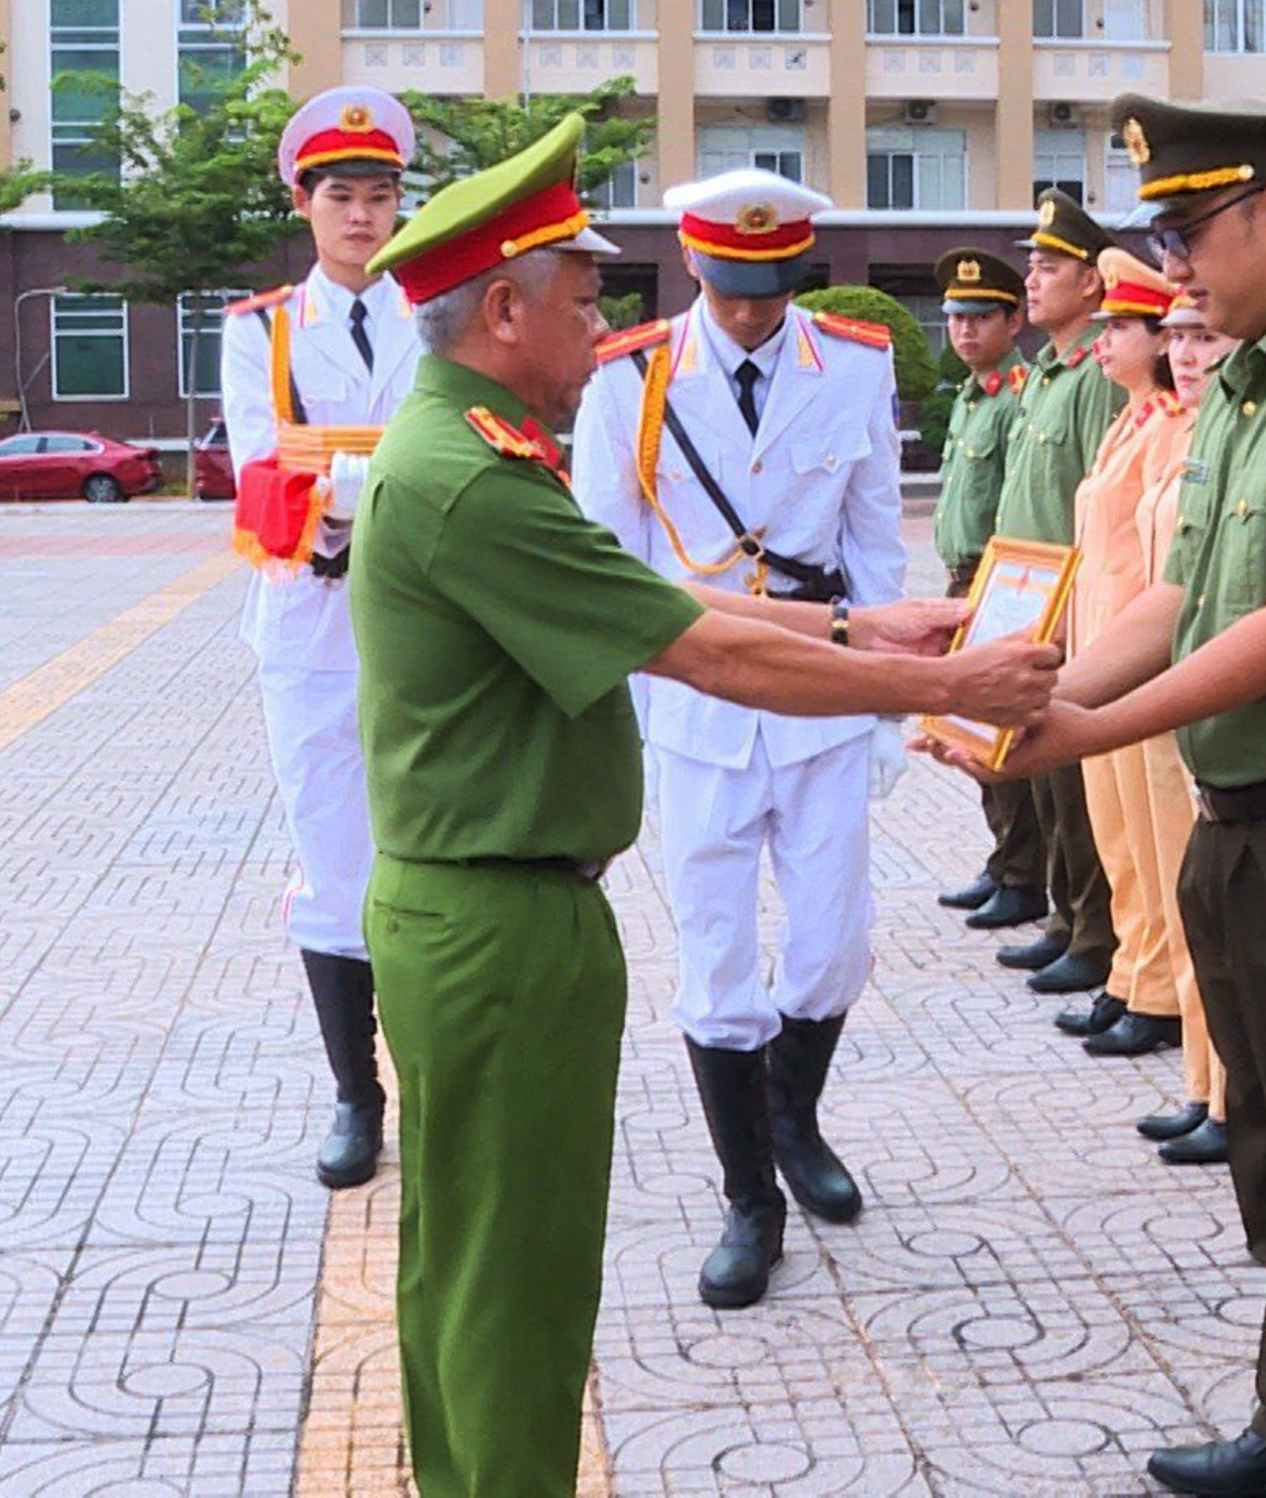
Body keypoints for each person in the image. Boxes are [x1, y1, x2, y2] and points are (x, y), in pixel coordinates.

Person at [349, 113, 1058, 1498]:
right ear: (502, 309)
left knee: (469, 1260)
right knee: (516, 1283)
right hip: (499, 929)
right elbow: (695, 646)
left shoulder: (454, 448)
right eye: (580, 295)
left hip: (484, 911)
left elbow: (671, 600)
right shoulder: (470, 481)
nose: (602, 319)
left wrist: (871, 626)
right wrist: (952, 673)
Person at [927, 94, 1266, 1498]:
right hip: (1252, 831)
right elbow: (1179, 595)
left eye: (1184, 230)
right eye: (1157, 233)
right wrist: (1043, 695)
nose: (1165, 264)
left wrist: (1082, 731)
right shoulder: (1245, 381)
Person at [573, 168, 908, 1310]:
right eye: (730, 287)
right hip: (696, 703)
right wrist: (615, 723)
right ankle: (748, 1193)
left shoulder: (855, 362)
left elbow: (874, 547)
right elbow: (603, 568)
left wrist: (887, 702)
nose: (752, 310)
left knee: (830, 943)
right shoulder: (630, 379)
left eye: (771, 288)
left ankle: (793, 1113)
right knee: (715, 958)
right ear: (692, 264)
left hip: (818, 691)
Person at [222, 85, 423, 1192]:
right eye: (340, 194)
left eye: (380, 193)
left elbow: (449, 447)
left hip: (421, 612)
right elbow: (266, 472)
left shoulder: (430, 312)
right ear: (305, 204)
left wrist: (344, 468)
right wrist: (380, 468)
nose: (361, 214)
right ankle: (357, 1092)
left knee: (433, 837)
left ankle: (432, 1070)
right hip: (309, 621)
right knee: (335, 858)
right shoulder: (260, 330)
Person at [977, 194, 1123, 990]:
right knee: (1043, 778)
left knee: (1075, 780)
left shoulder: (1098, 373)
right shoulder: (1045, 374)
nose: (1030, 280)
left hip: (1075, 602)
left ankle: (1094, 935)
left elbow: (1101, 498)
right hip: (1026, 598)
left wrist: (1074, 612)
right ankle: (1067, 918)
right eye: (1030, 265)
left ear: (1093, 285)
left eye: (1048, 267)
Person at [1060, 249, 1186, 1060]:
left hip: (1141, 656)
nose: (1103, 341)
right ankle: (1132, 972)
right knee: (1116, 834)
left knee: (1156, 835)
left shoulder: (1176, 425)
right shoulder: (1130, 420)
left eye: (1120, 327)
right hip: (1097, 646)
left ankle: (1166, 991)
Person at [1131, 291, 1237, 1167]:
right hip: (1153, 682)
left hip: (1194, 693)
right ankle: (1203, 1081)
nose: (1187, 353)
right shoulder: (1181, 433)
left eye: (1203, 336)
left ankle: (1228, 1091)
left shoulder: (1224, 436)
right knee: (1175, 889)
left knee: (1207, 907)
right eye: (1176, 338)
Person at [925, 247, 1043, 929]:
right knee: (971, 730)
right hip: (963, 579)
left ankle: (1025, 875)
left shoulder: (1018, 395)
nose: (964, 331)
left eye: (980, 318)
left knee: (1004, 733)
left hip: (1003, 581)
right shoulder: (972, 396)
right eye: (955, 319)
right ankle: (1004, 860)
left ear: (1013, 321)